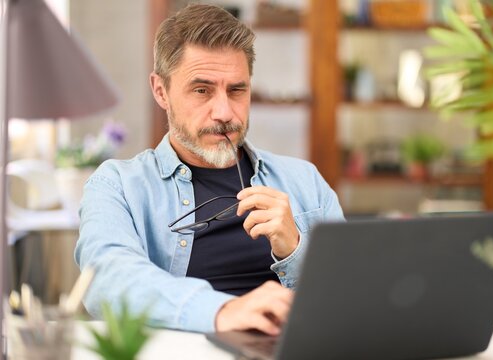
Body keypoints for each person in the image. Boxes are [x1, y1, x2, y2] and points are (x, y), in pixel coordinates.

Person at [75, 4, 344, 336]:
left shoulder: (305, 182)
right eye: (202, 90)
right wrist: (222, 311)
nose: (223, 112)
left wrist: (295, 249)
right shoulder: (117, 185)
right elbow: (106, 280)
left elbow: (349, 297)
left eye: (236, 90)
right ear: (161, 91)